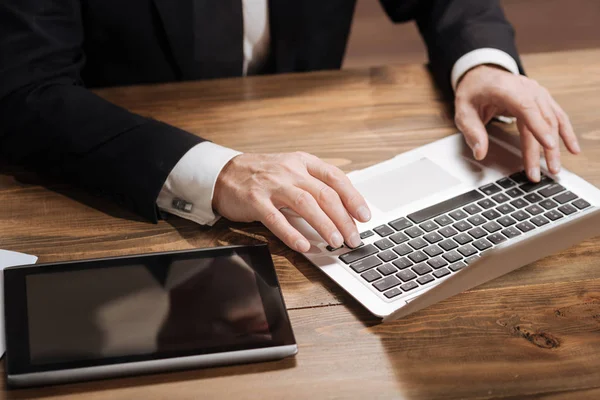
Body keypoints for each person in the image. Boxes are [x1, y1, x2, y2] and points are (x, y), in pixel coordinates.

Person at [0, 1, 580, 253]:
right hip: (117, 172)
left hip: (318, 140)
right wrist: (217, 171)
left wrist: (480, 62)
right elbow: (25, 92)